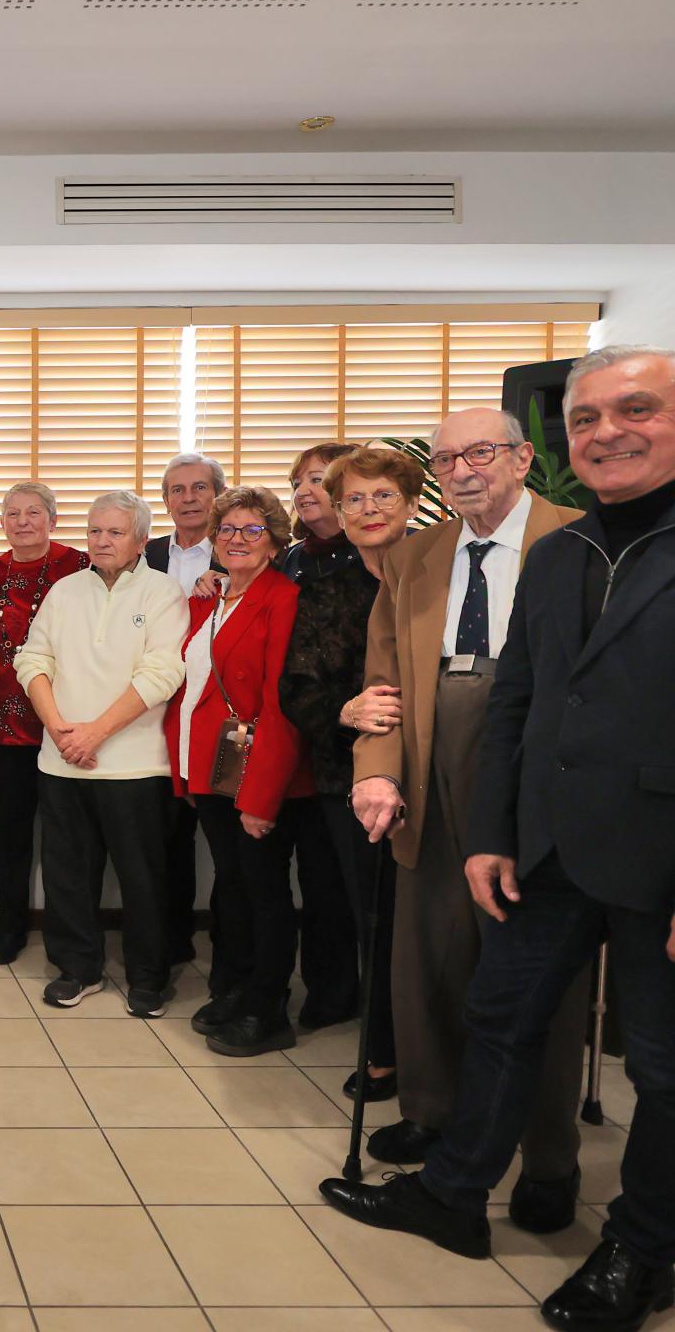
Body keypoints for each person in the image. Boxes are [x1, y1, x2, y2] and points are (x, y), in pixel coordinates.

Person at [320, 345, 675, 1331]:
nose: (605, 433)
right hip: (528, 830)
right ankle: (451, 1186)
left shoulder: (559, 534)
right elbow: (508, 693)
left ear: (522, 462)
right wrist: (476, 826)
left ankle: (623, 1235)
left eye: (634, 410)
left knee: (654, 1065)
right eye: (587, 420)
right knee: (496, 1008)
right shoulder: (553, 556)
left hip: (653, 849)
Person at [347, 406, 586, 1211]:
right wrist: (375, 772)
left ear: (522, 458)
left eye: (479, 452)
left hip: (531, 771)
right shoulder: (415, 555)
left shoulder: (580, 539)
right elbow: (381, 681)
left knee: (530, 972)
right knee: (430, 954)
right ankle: (436, 1115)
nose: (460, 470)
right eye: (446, 459)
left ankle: (550, 1158)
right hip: (427, 756)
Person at [278, 446, 425, 1103]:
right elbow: (297, 689)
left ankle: (440, 1056)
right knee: (377, 920)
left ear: (413, 504)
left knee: (434, 926)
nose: (368, 510)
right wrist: (346, 708)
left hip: (441, 774)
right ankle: (386, 1052)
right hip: (350, 782)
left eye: (382, 497)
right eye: (354, 500)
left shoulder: (445, 577)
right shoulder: (327, 592)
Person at [14, 491, 186, 1015]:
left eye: (114, 532)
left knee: (143, 880)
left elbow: (162, 673)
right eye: (94, 531)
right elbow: (32, 657)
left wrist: (95, 734)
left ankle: (149, 978)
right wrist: (61, 729)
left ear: (139, 539)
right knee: (67, 875)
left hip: (135, 766)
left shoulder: (164, 592)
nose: (102, 541)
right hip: (61, 760)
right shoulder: (65, 591)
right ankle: (77, 969)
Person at [164, 485, 308, 1056]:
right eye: (228, 531)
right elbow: (193, 687)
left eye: (253, 531)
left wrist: (260, 797)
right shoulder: (212, 600)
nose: (237, 540)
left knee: (266, 892)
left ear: (275, 541)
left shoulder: (283, 598)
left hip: (257, 777)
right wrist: (187, 776)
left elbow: (280, 704)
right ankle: (239, 989)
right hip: (213, 771)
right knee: (234, 888)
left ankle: (268, 1007)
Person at [0, 482, 88, 966]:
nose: (22, 521)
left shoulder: (80, 566)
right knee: (12, 837)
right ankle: (10, 929)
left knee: (70, 840)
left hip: (68, 725)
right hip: (4, 727)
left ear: (53, 521)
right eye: (13, 513)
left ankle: (73, 937)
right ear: (2, 523)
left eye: (33, 513)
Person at [274, 442, 363, 1033]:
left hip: (349, 751)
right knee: (307, 880)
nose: (306, 491)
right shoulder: (285, 560)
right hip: (285, 748)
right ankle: (320, 987)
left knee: (346, 885)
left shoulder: (379, 560)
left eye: (319, 481)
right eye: (299, 482)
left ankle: (356, 1000)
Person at [145, 451, 227, 967]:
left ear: (217, 494)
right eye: (178, 490)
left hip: (221, 714)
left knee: (226, 835)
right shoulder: (146, 552)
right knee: (165, 834)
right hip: (156, 713)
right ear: (166, 501)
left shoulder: (241, 548)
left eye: (200, 488)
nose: (189, 498)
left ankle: (228, 946)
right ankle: (170, 939)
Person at [281, 442, 361, 583]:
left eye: (316, 480)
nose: (300, 492)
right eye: (296, 484)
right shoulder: (290, 560)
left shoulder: (380, 549)